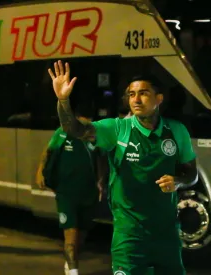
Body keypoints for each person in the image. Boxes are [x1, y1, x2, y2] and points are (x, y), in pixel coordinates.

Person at [47, 60, 198, 275]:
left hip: (166, 233)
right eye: (131, 94)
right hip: (129, 234)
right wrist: (63, 100)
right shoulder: (117, 129)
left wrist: (178, 181)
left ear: (159, 99)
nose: (135, 99)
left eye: (143, 93)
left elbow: (191, 173)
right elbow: (75, 129)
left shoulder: (176, 131)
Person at [35, 107, 107, 275]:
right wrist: (40, 171)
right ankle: (73, 271)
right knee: (71, 238)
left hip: (88, 193)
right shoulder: (62, 133)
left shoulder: (94, 133)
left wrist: (101, 182)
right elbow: (48, 151)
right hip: (66, 194)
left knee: (80, 239)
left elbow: (101, 158)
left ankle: (71, 263)